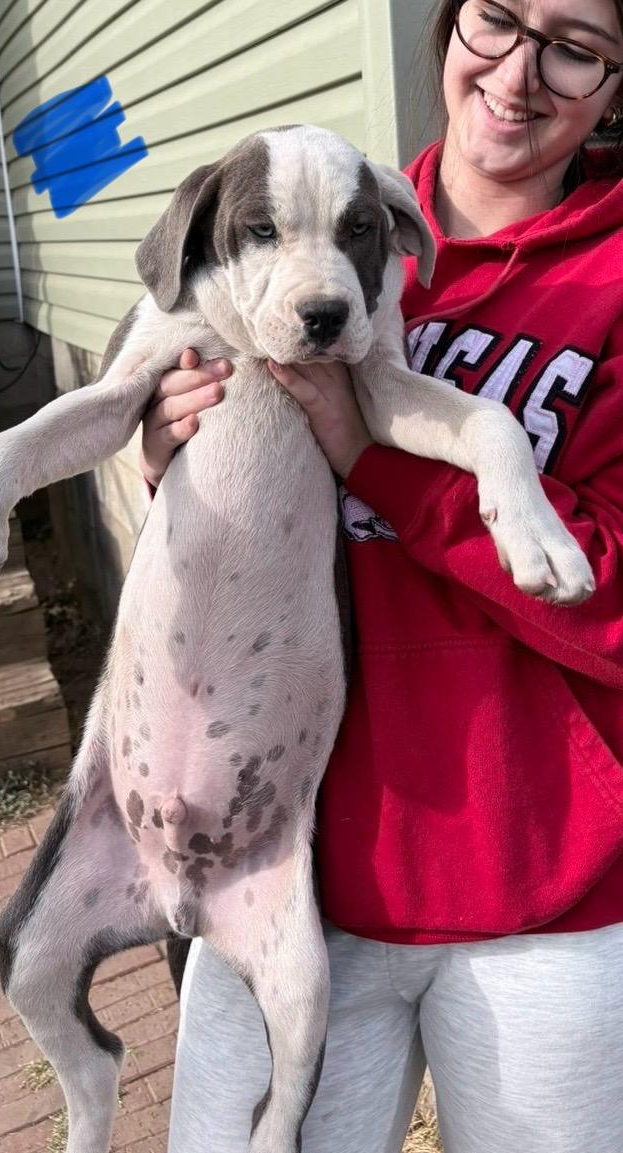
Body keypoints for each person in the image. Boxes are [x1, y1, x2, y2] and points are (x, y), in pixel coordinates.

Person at [139, 2, 623, 1150]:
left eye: (576, 48)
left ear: (614, 88)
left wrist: (377, 464)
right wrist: (175, 464)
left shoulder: (607, 283)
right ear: (448, 29)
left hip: (536, 883)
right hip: (286, 870)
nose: (518, 73)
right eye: (497, 19)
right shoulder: (299, 211)